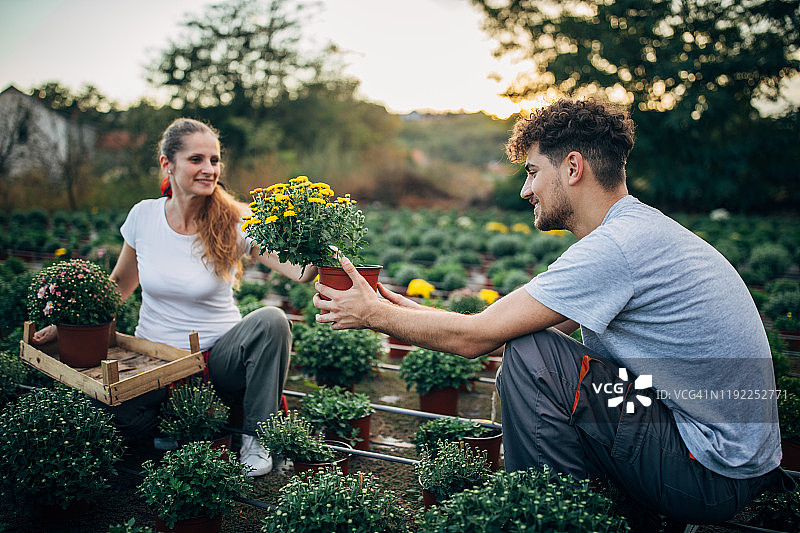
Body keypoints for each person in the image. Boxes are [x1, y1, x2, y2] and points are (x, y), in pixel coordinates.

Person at [312, 99, 794, 526]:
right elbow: (500, 328)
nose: (526, 191)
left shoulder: (616, 249)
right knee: (536, 346)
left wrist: (373, 314)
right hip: (724, 458)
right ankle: (597, 506)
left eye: (531, 171)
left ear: (572, 167)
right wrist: (398, 309)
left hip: (708, 469)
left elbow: (475, 339)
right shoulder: (635, 232)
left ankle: (550, 512)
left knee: (533, 357)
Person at [33, 118, 316, 477]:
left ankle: (255, 438)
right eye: (197, 159)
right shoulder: (143, 216)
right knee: (110, 411)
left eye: (215, 160)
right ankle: (174, 432)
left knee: (273, 320)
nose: (210, 169)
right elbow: (119, 283)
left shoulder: (235, 219)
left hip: (218, 360)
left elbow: (298, 269)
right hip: (154, 361)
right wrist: (67, 324)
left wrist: (322, 252)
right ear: (168, 163)